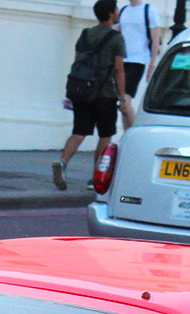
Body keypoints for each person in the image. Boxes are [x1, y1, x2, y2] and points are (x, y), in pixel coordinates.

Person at [53, 0, 126, 192]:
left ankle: (62, 162)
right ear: (111, 14)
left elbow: (78, 62)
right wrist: (123, 97)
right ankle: (96, 176)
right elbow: (119, 69)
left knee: (79, 131)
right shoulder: (116, 38)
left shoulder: (85, 34)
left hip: (83, 92)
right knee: (105, 135)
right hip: (105, 94)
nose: (118, 12)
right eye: (116, 9)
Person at [117, 0, 161, 129]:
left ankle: (134, 133)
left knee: (125, 100)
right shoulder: (124, 10)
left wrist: (152, 64)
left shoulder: (149, 10)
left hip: (137, 60)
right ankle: (127, 135)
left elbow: (155, 39)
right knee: (122, 104)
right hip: (121, 60)